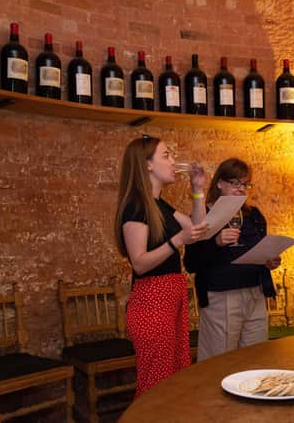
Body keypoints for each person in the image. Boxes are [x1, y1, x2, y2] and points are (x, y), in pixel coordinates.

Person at [114, 134, 207, 397]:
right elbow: (140, 263)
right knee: (156, 385)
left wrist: (198, 189)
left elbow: (198, 229)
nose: (173, 161)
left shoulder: (160, 204)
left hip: (172, 297)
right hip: (151, 302)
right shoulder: (135, 206)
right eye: (166, 155)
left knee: (175, 380)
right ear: (147, 165)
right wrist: (177, 240)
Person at [184, 158, 281, 361]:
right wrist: (215, 243)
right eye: (235, 183)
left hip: (255, 293)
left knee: (256, 359)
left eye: (245, 184)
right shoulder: (203, 214)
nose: (241, 189)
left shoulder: (253, 215)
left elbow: (258, 250)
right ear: (220, 183)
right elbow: (191, 263)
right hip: (222, 296)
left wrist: (269, 261)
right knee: (219, 362)